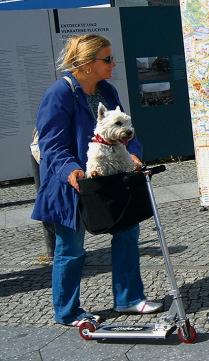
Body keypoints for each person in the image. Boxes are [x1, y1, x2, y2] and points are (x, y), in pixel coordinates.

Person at [31, 35, 162, 327]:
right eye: (107, 59)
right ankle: (67, 312)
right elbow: (52, 145)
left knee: (127, 232)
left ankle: (128, 298)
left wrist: (134, 153)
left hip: (111, 179)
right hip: (70, 184)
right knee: (71, 248)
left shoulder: (107, 90)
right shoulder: (59, 94)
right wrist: (71, 170)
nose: (113, 64)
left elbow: (124, 129)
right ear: (88, 64)